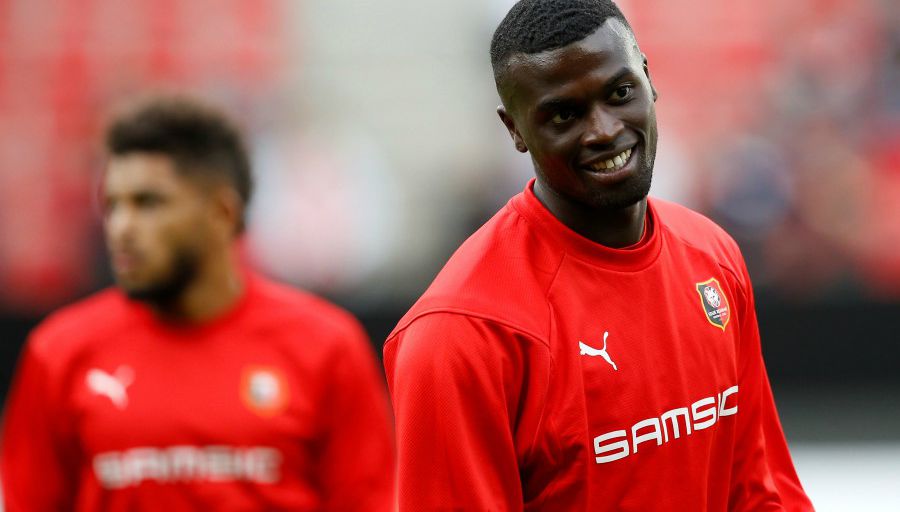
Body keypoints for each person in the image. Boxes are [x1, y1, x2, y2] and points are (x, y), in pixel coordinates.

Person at [383, 0, 814, 510]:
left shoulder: (712, 257)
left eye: (620, 93)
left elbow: (761, 491)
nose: (605, 130)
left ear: (648, 78)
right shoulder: (459, 335)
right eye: (565, 114)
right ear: (514, 129)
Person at [0, 95, 394, 511]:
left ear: (223, 212)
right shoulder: (59, 352)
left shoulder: (326, 346)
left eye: (148, 203)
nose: (121, 228)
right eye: (112, 205)